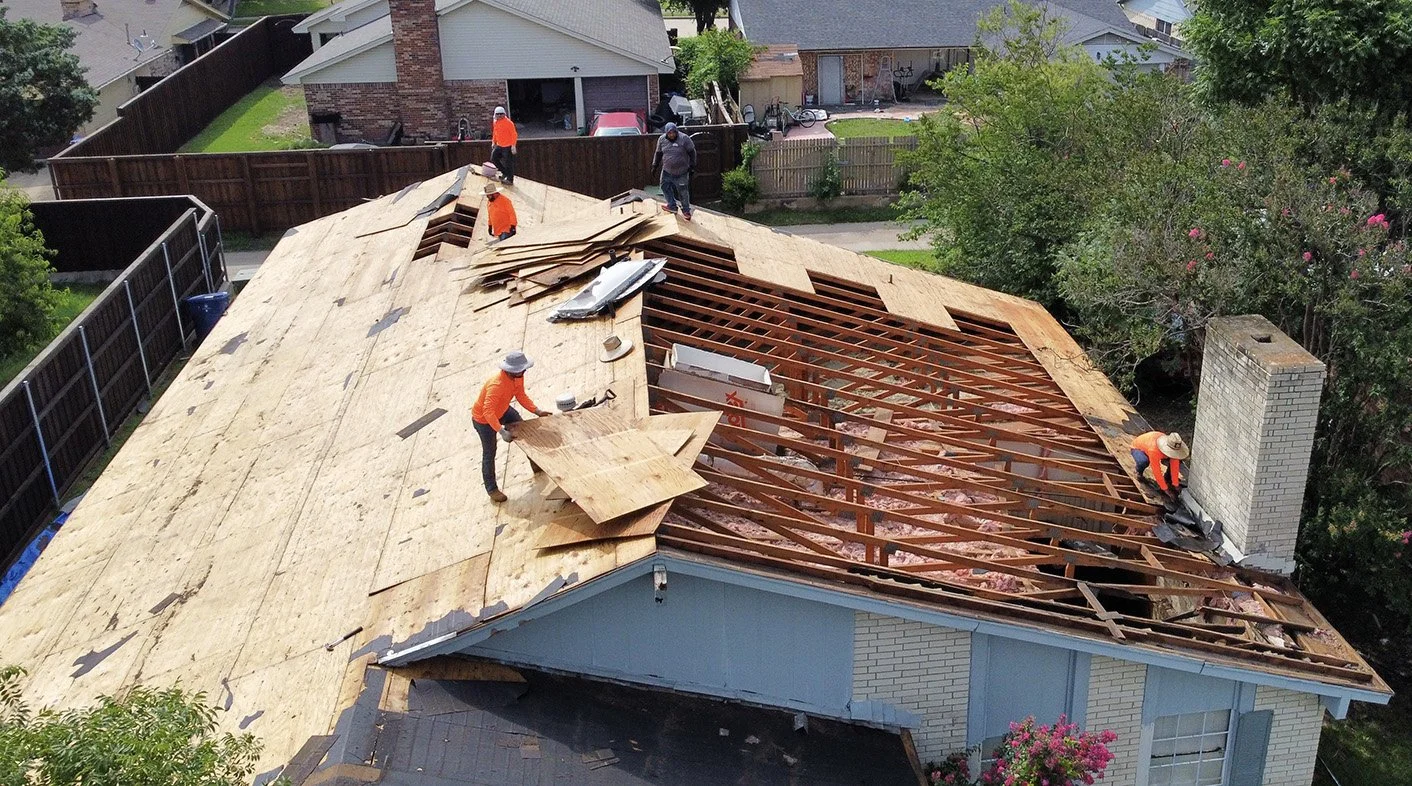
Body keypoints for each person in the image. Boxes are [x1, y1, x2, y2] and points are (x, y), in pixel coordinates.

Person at [472, 350, 551, 502]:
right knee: (489, 453)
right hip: (484, 420)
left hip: (503, 410)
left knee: (525, 431)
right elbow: (487, 412)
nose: (525, 371)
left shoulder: (517, 377)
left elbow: (520, 395)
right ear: (512, 371)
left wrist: (537, 410)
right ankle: (492, 489)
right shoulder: (496, 385)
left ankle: (535, 463)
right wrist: (501, 431)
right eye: (523, 369)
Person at [651, 122, 696, 221]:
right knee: (664, 186)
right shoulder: (662, 140)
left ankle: (686, 211)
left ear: (676, 132)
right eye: (669, 133)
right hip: (667, 171)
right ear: (666, 133)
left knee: (683, 191)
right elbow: (658, 153)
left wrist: (692, 166)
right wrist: (654, 165)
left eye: (673, 133)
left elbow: (692, 152)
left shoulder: (684, 139)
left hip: (681, 172)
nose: (672, 135)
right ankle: (672, 205)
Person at [1131, 431, 1189, 496]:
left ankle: (1167, 479)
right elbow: (1156, 471)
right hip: (1138, 449)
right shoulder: (1154, 450)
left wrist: (1175, 484)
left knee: (1177, 460)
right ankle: (1139, 472)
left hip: (1156, 451)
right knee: (1143, 461)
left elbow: (1175, 466)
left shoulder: (1172, 445)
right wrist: (1165, 489)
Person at [490, 106, 517, 185]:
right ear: (495, 114)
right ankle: (505, 173)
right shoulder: (495, 122)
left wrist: (513, 146)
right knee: (493, 158)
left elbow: (514, 134)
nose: (499, 115)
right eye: (497, 114)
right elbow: (495, 132)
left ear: (504, 114)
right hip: (499, 145)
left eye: (501, 114)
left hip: (508, 146)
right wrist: (493, 142)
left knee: (508, 163)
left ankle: (510, 180)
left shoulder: (509, 123)